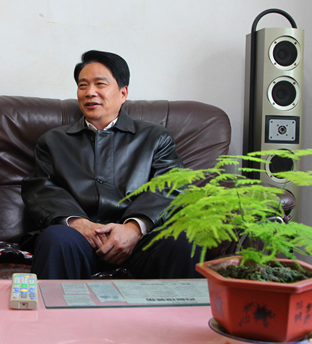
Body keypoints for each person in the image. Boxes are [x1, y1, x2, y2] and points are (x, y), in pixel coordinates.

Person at [21, 50, 201, 279]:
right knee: (56, 238)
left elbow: (171, 186)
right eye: (83, 85)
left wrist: (134, 229)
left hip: (141, 244)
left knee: (185, 240)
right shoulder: (53, 141)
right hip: (78, 241)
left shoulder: (155, 138)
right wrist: (78, 223)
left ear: (123, 93)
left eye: (100, 84)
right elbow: (40, 189)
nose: (90, 92)